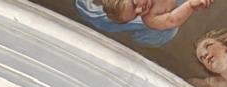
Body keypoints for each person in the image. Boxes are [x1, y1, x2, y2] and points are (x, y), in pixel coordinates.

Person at [75, 0, 215, 48]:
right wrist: (190, 5)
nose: (140, 10)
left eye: (135, 4)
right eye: (136, 14)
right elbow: (172, 20)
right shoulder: (151, 19)